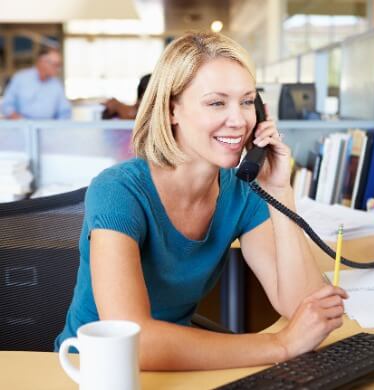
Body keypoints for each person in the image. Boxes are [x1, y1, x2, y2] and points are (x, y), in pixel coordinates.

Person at [55, 32, 347, 370]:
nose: (239, 120)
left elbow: (305, 308)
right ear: (171, 110)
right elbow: (133, 341)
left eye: (248, 101)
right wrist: (280, 345)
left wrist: (281, 191)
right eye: (216, 102)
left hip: (180, 366)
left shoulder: (242, 191)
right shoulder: (119, 192)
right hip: (93, 372)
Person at [1, 47, 71, 119]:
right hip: (21, 127)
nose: (58, 69)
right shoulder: (20, 79)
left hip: (48, 127)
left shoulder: (57, 85)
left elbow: (65, 112)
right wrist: (17, 118)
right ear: (42, 62)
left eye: (59, 65)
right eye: (55, 65)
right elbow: (6, 105)